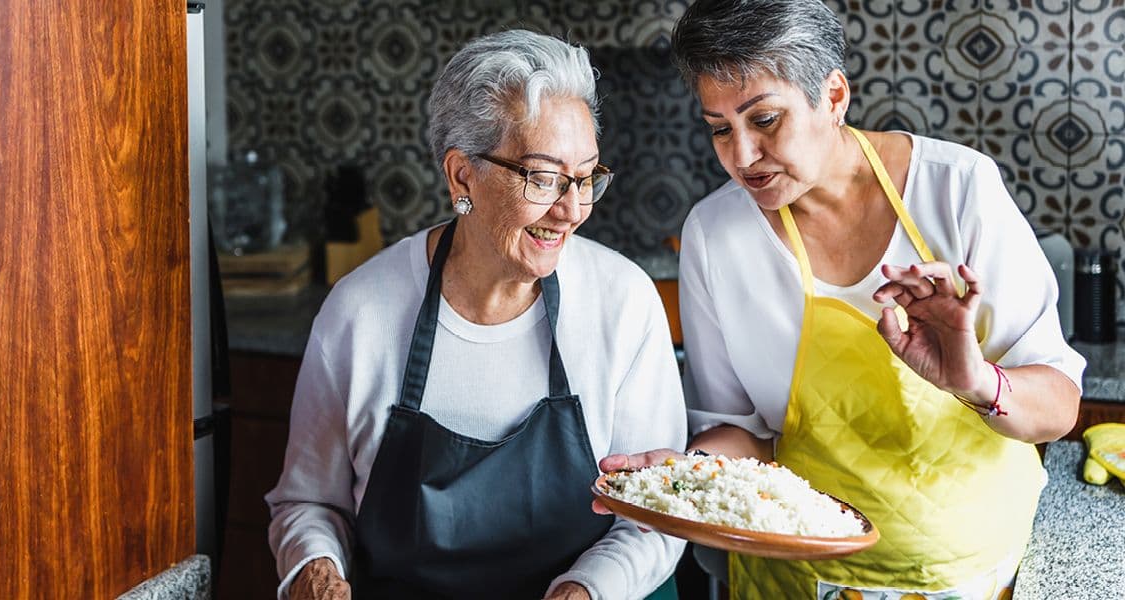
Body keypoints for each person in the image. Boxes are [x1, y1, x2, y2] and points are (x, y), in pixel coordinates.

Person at [596, 1, 1086, 598]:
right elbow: (740, 435)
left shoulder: (958, 189)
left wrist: (978, 381)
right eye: (720, 128)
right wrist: (683, 474)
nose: (741, 156)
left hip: (966, 576)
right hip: (798, 577)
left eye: (765, 120)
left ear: (833, 96)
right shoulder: (715, 235)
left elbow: (1059, 407)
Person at [266, 29, 687, 600]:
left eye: (586, 177)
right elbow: (309, 502)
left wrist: (584, 590)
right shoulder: (360, 313)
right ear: (462, 176)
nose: (572, 210)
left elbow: (651, 516)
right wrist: (315, 571)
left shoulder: (623, 302)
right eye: (543, 178)